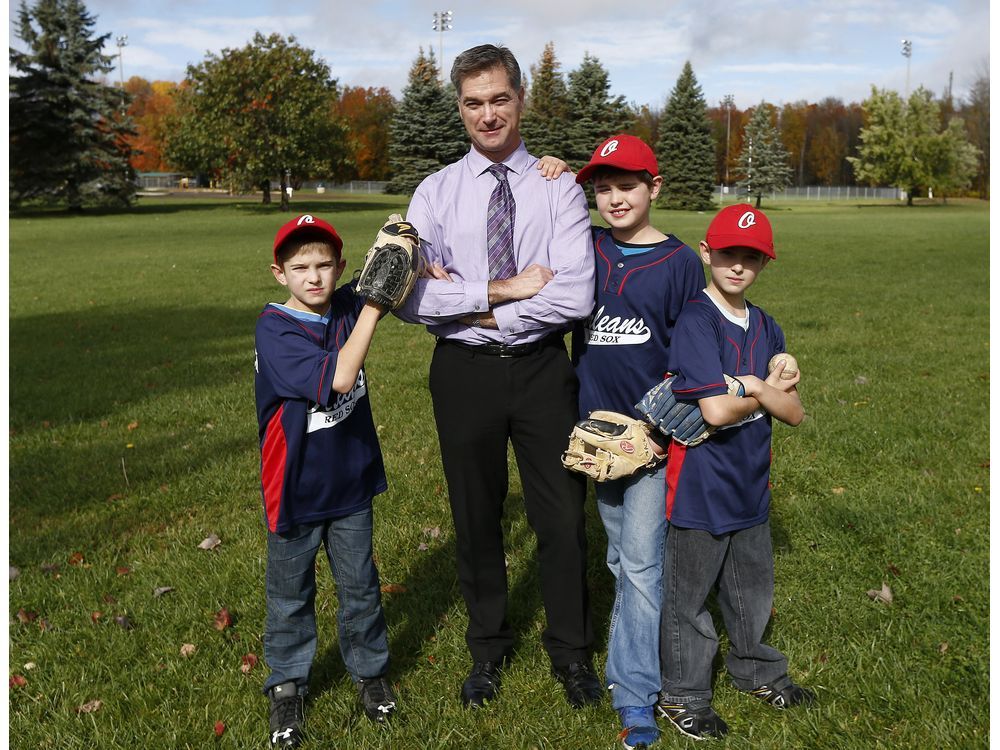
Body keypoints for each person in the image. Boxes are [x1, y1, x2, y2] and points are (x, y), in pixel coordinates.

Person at [395, 43, 603, 710]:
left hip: (544, 371)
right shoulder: (434, 193)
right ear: (460, 108)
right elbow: (407, 297)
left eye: (499, 99)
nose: (487, 115)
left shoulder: (558, 187)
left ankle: (572, 653)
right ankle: (488, 648)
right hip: (463, 375)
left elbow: (573, 297)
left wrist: (468, 304)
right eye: (473, 103)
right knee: (475, 516)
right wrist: (506, 290)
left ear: (522, 99)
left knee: (563, 519)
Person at [656, 204, 814, 740]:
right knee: (689, 596)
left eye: (751, 257)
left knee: (751, 588)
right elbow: (715, 412)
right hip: (701, 482)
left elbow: (793, 413)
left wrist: (752, 385)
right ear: (707, 253)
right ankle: (684, 694)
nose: (738, 266)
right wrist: (760, 391)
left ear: (764, 264)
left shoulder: (767, 325)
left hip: (751, 481)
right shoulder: (696, 320)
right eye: (727, 254)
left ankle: (755, 671)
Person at [567, 135, 705, 749]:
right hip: (593, 437)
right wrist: (550, 167)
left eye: (627, 184)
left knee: (643, 566)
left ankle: (636, 695)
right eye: (603, 186)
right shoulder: (588, 245)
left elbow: (689, 353)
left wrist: (656, 429)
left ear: (655, 187)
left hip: (646, 439)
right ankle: (636, 663)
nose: (615, 197)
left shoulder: (677, 262)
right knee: (621, 558)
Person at [254, 214, 398, 748]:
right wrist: (374, 306)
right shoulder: (275, 328)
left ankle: (369, 670)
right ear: (279, 273)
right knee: (290, 594)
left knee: (360, 585)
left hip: (350, 481)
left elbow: (398, 278)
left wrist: (399, 239)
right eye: (300, 267)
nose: (313, 277)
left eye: (323, 265)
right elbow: (338, 377)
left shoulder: (344, 305)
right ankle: (287, 683)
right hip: (295, 488)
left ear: (339, 267)